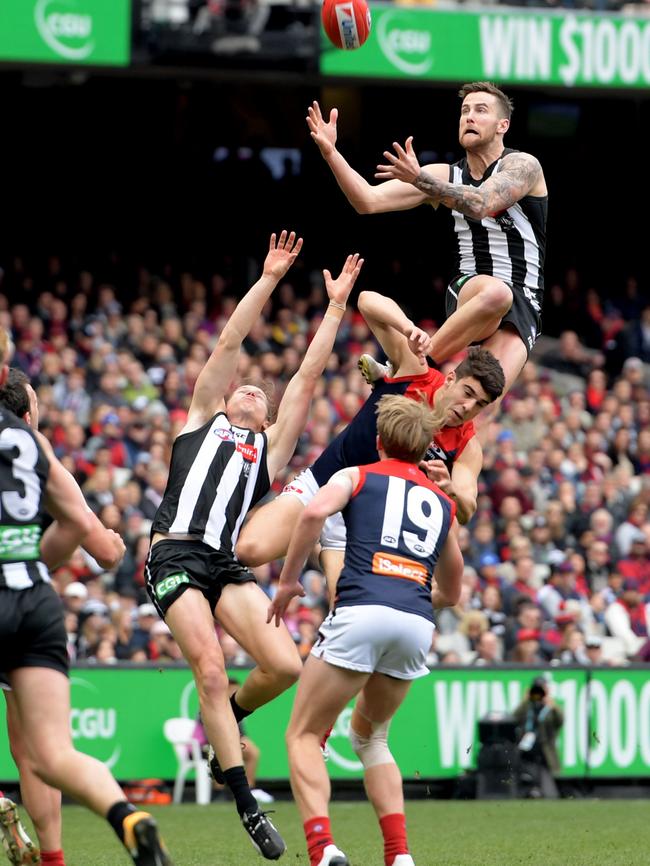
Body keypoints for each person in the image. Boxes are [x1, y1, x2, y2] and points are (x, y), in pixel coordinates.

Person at [145, 231, 363, 859]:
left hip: (224, 564)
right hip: (175, 553)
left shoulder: (268, 451)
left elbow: (309, 373)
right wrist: (268, 279)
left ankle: (231, 725)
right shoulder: (199, 420)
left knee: (287, 666)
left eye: (260, 396)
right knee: (209, 669)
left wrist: (335, 308)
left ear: (268, 421)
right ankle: (245, 801)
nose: (251, 389)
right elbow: (230, 343)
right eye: (245, 388)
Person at [0, 332, 174, 866]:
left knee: (28, 753)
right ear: (27, 409)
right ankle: (129, 818)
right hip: (32, 597)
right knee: (50, 753)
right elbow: (91, 537)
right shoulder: (33, 445)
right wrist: (28, 553)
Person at [267, 395, 463, 866]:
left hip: (361, 611)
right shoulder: (442, 501)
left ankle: (322, 849)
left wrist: (289, 578)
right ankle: (399, 855)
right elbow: (453, 589)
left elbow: (313, 513)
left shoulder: (357, 474)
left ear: (378, 441)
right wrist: (410, 594)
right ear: (423, 449)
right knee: (371, 738)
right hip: (416, 622)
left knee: (303, 735)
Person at [236, 291, 505, 599]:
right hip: (324, 482)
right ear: (451, 378)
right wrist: (407, 328)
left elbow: (467, 507)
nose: (468, 406)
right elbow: (366, 301)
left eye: (479, 404)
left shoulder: (467, 446)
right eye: (467, 392)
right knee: (248, 550)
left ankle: (326, 547)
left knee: (348, 606)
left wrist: (451, 489)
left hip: (362, 522)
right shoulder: (416, 371)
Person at [306, 81, 548, 401]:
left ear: (503, 125)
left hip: (526, 301)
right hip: (472, 289)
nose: (469, 117)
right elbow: (367, 201)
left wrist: (420, 178)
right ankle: (409, 363)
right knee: (496, 294)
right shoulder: (444, 174)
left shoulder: (523, 165)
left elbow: (482, 203)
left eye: (480, 110)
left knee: (476, 400)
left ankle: (404, 374)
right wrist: (330, 152)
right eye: (464, 111)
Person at [513, 677, 564, 799]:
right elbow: (514, 718)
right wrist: (525, 700)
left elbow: (560, 721)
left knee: (549, 793)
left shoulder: (550, 708)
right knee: (524, 787)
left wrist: (552, 705)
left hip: (544, 752)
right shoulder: (527, 706)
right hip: (527, 753)